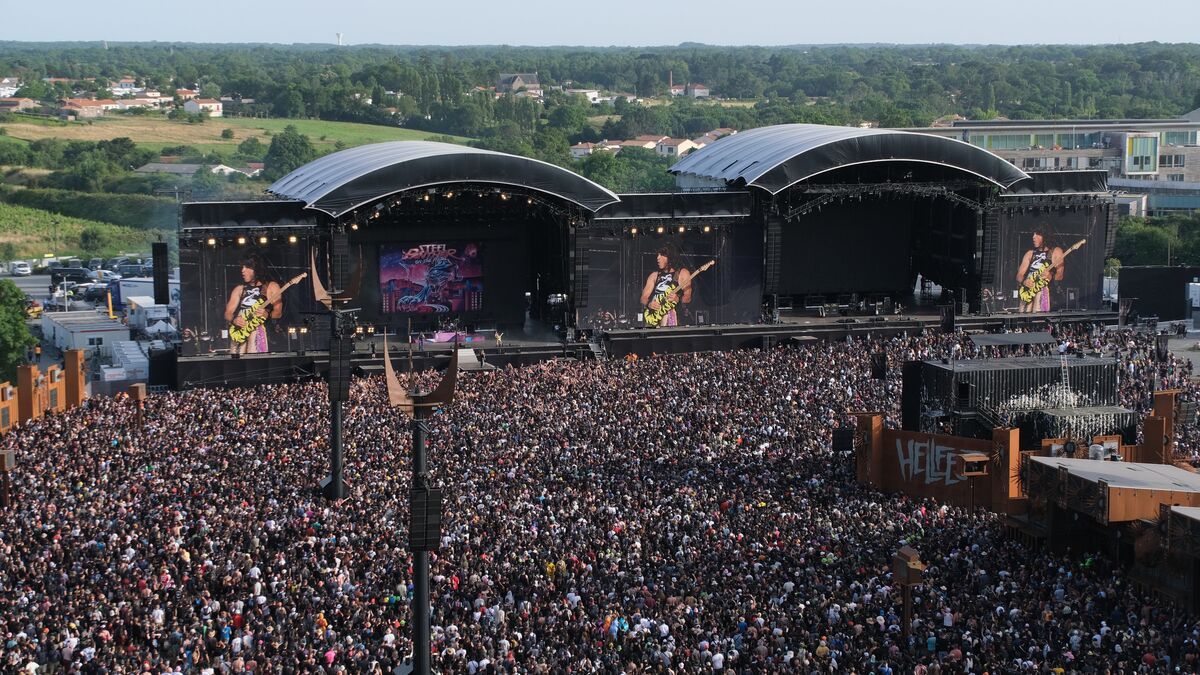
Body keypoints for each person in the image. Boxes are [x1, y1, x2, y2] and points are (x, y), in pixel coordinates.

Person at [223, 253, 282, 354]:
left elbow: (278, 312)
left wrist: (267, 314)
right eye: (242, 267)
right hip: (240, 333)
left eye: (246, 267)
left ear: (256, 269)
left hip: (258, 332)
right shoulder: (239, 289)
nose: (242, 270)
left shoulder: (271, 287)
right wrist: (234, 319)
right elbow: (227, 313)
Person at [640, 245, 692, 327]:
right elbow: (643, 298)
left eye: (661, 255)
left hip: (673, 319)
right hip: (653, 318)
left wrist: (678, 299)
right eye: (657, 255)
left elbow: (688, 297)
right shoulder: (654, 275)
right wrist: (649, 303)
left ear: (670, 257)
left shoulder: (682, 273)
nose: (658, 258)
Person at [1016, 228, 1064, 313]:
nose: (1033, 237)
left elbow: (1060, 275)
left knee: (1038, 317)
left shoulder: (1056, 251)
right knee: (1022, 319)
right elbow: (1019, 275)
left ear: (1045, 236)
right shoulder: (1030, 253)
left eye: (1037, 234)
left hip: (1044, 291)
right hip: (1028, 292)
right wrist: (1024, 281)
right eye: (1033, 234)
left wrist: (1051, 276)